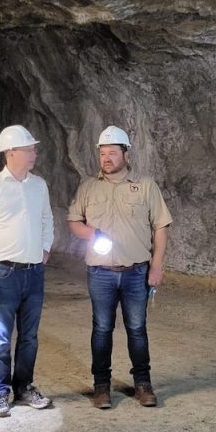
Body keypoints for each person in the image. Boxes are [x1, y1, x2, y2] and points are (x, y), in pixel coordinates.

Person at [67, 125, 172, 409]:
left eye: (113, 152)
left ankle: (143, 384)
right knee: (101, 328)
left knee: (137, 328)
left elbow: (161, 227)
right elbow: (74, 221)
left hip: (136, 272)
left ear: (126, 154)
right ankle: (101, 386)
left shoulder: (145, 185)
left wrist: (157, 267)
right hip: (100, 272)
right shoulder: (89, 186)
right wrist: (93, 234)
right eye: (103, 153)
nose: (107, 158)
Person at [0, 125, 55, 417]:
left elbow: (47, 219)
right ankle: (1, 391)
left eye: (33, 148)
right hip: (4, 273)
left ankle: (24, 386)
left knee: (29, 336)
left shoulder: (39, 185)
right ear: (10, 152)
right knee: (1, 336)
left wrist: (45, 248)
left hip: (34, 273)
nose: (34, 153)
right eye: (29, 149)